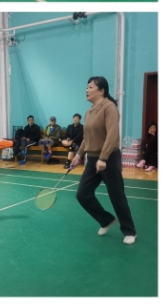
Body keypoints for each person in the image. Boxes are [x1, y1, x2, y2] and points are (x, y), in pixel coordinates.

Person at [72, 76, 137, 245]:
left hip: (109, 158)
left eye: (90, 87)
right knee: (82, 194)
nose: (86, 90)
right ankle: (106, 220)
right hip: (93, 159)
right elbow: (87, 138)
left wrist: (103, 158)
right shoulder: (89, 112)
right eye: (87, 87)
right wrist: (79, 155)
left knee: (117, 196)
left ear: (101, 91)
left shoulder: (110, 108)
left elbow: (112, 135)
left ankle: (129, 231)